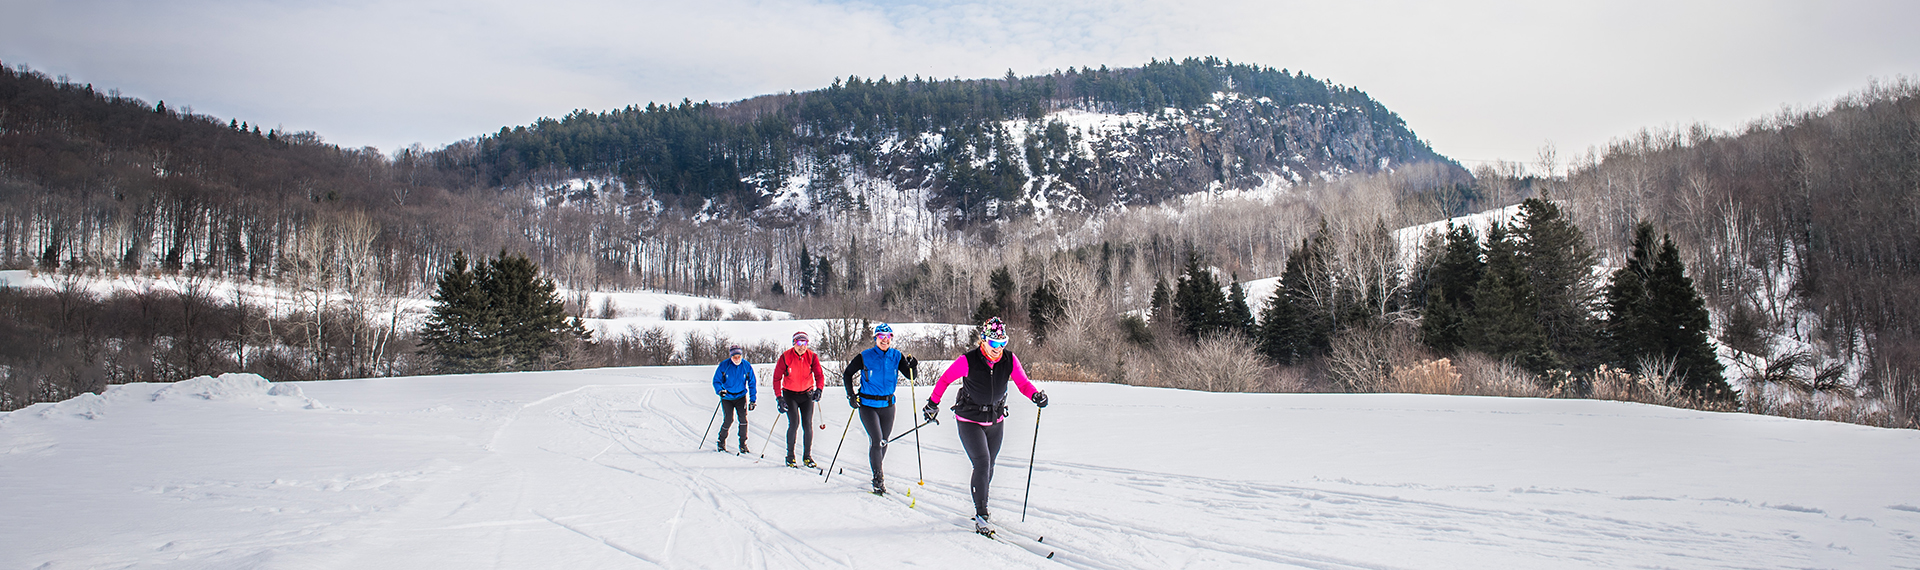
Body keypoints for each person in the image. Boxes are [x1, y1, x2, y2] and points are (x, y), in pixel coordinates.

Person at [922, 317, 1047, 536]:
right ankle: (982, 515)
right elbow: (944, 380)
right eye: (993, 343)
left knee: (989, 466)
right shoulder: (968, 360)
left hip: (996, 420)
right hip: (970, 419)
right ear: (983, 340)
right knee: (982, 462)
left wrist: (1035, 395)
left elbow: (1023, 383)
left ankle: (981, 503)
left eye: (1002, 343)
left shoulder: (1009, 360)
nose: (998, 349)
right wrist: (933, 403)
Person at [842, 323, 917, 495]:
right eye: (881, 337)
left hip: (888, 405)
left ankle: (876, 468)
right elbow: (847, 374)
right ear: (875, 338)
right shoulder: (865, 356)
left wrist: (913, 366)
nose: (884, 340)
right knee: (876, 440)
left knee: (884, 441)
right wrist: (851, 395)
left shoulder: (896, 356)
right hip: (868, 406)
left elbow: (910, 376)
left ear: (891, 338)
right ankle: (878, 479)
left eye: (887, 337)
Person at [773, 331, 826, 468]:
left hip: (807, 395)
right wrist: (779, 398)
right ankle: (790, 456)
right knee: (794, 423)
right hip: (790, 395)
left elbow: (819, 376)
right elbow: (776, 378)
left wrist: (819, 390)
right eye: (798, 343)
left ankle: (807, 457)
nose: (801, 346)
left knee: (807, 425)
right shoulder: (785, 357)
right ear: (794, 343)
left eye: (804, 343)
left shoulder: (812, 357)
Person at [712, 345, 757, 453]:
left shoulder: (746, 366)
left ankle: (743, 444)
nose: (737, 359)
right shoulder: (724, 365)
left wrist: (753, 400)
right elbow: (716, 381)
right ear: (731, 356)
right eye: (734, 357)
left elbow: (752, 383)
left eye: (738, 356)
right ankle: (721, 441)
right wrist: (719, 391)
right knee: (728, 419)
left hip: (741, 396)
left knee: (743, 419)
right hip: (727, 397)